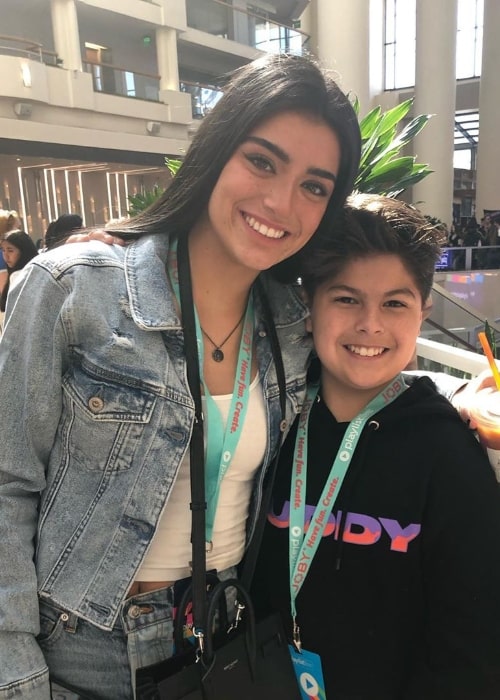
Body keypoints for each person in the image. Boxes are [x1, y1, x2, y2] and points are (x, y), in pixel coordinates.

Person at [0, 53, 363, 700]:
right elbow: (6, 487)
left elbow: (363, 394)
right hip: (81, 649)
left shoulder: (288, 325)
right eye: (262, 160)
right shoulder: (72, 290)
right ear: (216, 151)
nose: (281, 202)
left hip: (221, 637)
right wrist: (16, 677)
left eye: (314, 185)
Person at [251, 194, 500, 700]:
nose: (370, 324)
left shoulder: (450, 451)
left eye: (394, 303)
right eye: (346, 299)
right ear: (310, 307)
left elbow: (471, 647)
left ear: (422, 312)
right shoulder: (270, 426)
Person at [0, 229, 38, 333]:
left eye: (10, 250)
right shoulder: (36, 271)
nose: (5, 255)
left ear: (24, 251)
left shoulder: (19, 275)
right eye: (3, 250)